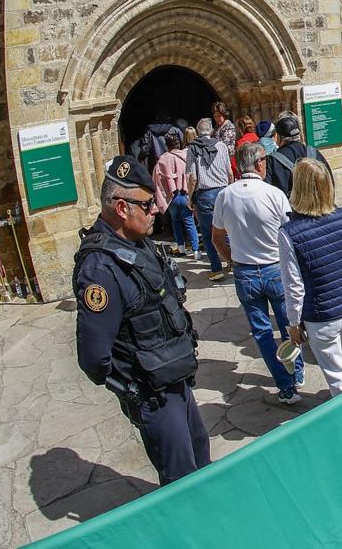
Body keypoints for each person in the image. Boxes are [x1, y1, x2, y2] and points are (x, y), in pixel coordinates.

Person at [73, 155, 209, 485]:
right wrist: (132, 387)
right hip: (152, 393)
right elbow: (94, 359)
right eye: (147, 205)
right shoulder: (100, 271)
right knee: (181, 479)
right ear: (121, 208)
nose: (156, 210)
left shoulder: (137, 242)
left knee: (200, 455)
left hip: (175, 376)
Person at [211, 142, 303, 403]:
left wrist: (231, 261)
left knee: (262, 332)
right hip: (275, 268)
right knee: (289, 325)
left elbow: (217, 237)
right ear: (259, 163)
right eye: (265, 159)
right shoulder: (274, 194)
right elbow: (291, 233)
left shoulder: (224, 196)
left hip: (245, 271)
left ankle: (285, 386)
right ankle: (295, 372)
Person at [279, 158, 342, 397]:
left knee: (337, 375)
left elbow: (293, 287)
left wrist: (293, 324)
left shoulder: (289, 233)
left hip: (322, 316)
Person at [185, 118, 232, 282]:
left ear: (198, 132)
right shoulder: (222, 146)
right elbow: (230, 173)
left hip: (205, 195)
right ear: (211, 131)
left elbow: (192, 177)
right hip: (223, 192)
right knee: (227, 230)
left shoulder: (192, 149)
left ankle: (216, 269)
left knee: (208, 234)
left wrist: (189, 198)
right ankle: (233, 262)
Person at [264, 115, 332, 201]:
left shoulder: (272, 161)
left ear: (278, 136)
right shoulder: (314, 153)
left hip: (292, 212)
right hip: (320, 209)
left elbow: (270, 195)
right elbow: (329, 181)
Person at [152, 131, 199, 256]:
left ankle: (181, 248)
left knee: (176, 222)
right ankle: (196, 250)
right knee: (190, 222)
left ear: (167, 145)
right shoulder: (187, 155)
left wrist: (163, 193)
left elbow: (157, 179)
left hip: (172, 196)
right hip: (185, 194)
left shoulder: (163, 159)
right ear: (179, 144)